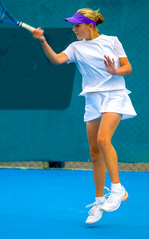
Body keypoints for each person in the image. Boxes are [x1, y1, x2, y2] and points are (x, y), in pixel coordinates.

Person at [32, 8, 137, 224]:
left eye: (77, 25)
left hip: (115, 95)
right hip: (92, 99)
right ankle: (99, 202)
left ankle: (118, 189)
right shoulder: (76, 47)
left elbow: (128, 67)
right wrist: (42, 41)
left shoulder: (112, 41)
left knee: (103, 139)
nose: (73, 29)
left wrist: (114, 71)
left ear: (90, 25)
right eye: (73, 25)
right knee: (95, 153)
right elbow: (57, 60)